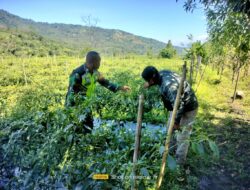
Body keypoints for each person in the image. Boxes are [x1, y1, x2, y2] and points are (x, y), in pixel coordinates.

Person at [141, 66, 198, 164]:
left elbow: (180, 105)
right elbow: (176, 103)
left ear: (152, 79)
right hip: (176, 106)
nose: (148, 83)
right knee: (169, 129)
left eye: (148, 81)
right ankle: (169, 152)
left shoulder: (168, 86)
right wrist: (149, 84)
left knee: (182, 136)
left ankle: (179, 163)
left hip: (188, 108)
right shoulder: (161, 74)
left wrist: (176, 122)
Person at [65, 51, 130, 133]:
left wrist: (121, 88)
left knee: (88, 127)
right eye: (99, 62)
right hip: (76, 107)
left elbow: (106, 83)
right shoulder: (78, 73)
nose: (100, 64)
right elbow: (71, 93)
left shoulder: (96, 73)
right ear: (93, 62)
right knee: (76, 130)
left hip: (86, 105)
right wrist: (72, 112)